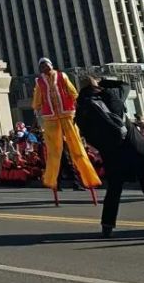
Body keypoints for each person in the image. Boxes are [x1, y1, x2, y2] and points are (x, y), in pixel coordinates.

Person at [75, 77, 144, 241]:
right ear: (96, 85)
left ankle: (107, 227)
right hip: (134, 148)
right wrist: (104, 82)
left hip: (112, 153)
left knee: (114, 190)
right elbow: (125, 84)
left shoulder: (81, 109)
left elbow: (86, 135)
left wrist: (105, 147)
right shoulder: (111, 94)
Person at [32, 57, 101, 201]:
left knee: (77, 148)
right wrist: (38, 113)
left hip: (67, 114)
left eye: (46, 65)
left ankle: (89, 179)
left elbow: (73, 92)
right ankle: (52, 181)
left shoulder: (62, 76)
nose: (45, 68)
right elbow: (37, 101)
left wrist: (79, 107)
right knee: (53, 150)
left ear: (51, 65)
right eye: (42, 66)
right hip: (50, 118)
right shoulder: (39, 82)